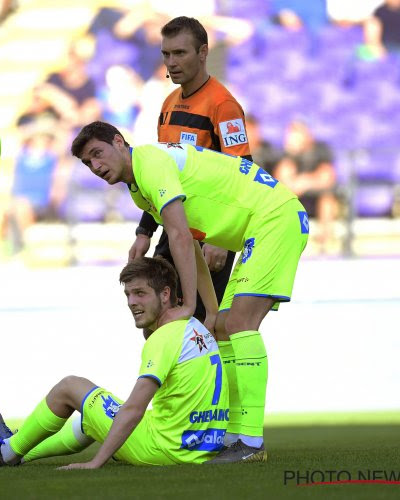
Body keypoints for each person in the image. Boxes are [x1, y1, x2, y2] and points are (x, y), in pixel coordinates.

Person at [71, 121, 309, 463]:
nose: (95, 166)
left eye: (98, 153)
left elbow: (180, 237)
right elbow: (193, 242)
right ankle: (233, 435)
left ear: (120, 143)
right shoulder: (140, 185)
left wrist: (187, 305)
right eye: (87, 163)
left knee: (241, 323)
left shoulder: (150, 164)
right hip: (259, 226)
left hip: (274, 217)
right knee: (225, 325)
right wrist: (209, 311)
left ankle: (251, 442)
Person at [0, 256, 229, 468]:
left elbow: (135, 409)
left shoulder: (164, 338)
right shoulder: (194, 326)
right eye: (128, 295)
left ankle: (6, 451)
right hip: (199, 448)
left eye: (140, 293)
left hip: (165, 449)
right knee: (91, 417)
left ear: (166, 294)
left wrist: (95, 462)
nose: (131, 303)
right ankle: (18, 447)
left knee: (70, 387)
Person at [129, 16, 253, 446]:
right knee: (161, 323)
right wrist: (145, 229)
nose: (171, 62)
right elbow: (159, 173)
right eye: (166, 54)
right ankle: (173, 416)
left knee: (203, 329)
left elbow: (244, 171)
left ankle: (214, 427)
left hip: (208, 236)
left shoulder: (223, 105)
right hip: (172, 231)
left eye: (180, 53)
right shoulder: (167, 103)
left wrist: (221, 238)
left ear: (203, 52)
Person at [273, 118, 337, 250]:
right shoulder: (287, 155)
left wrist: (304, 181)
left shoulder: (321, 150)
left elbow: (327, 178)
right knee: (281, 199)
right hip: (296, 200)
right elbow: (282, 182)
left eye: (298, 133)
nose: (294, 137)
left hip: (316, 199)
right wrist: (290, 155)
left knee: (327, 199)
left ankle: (325, 242)